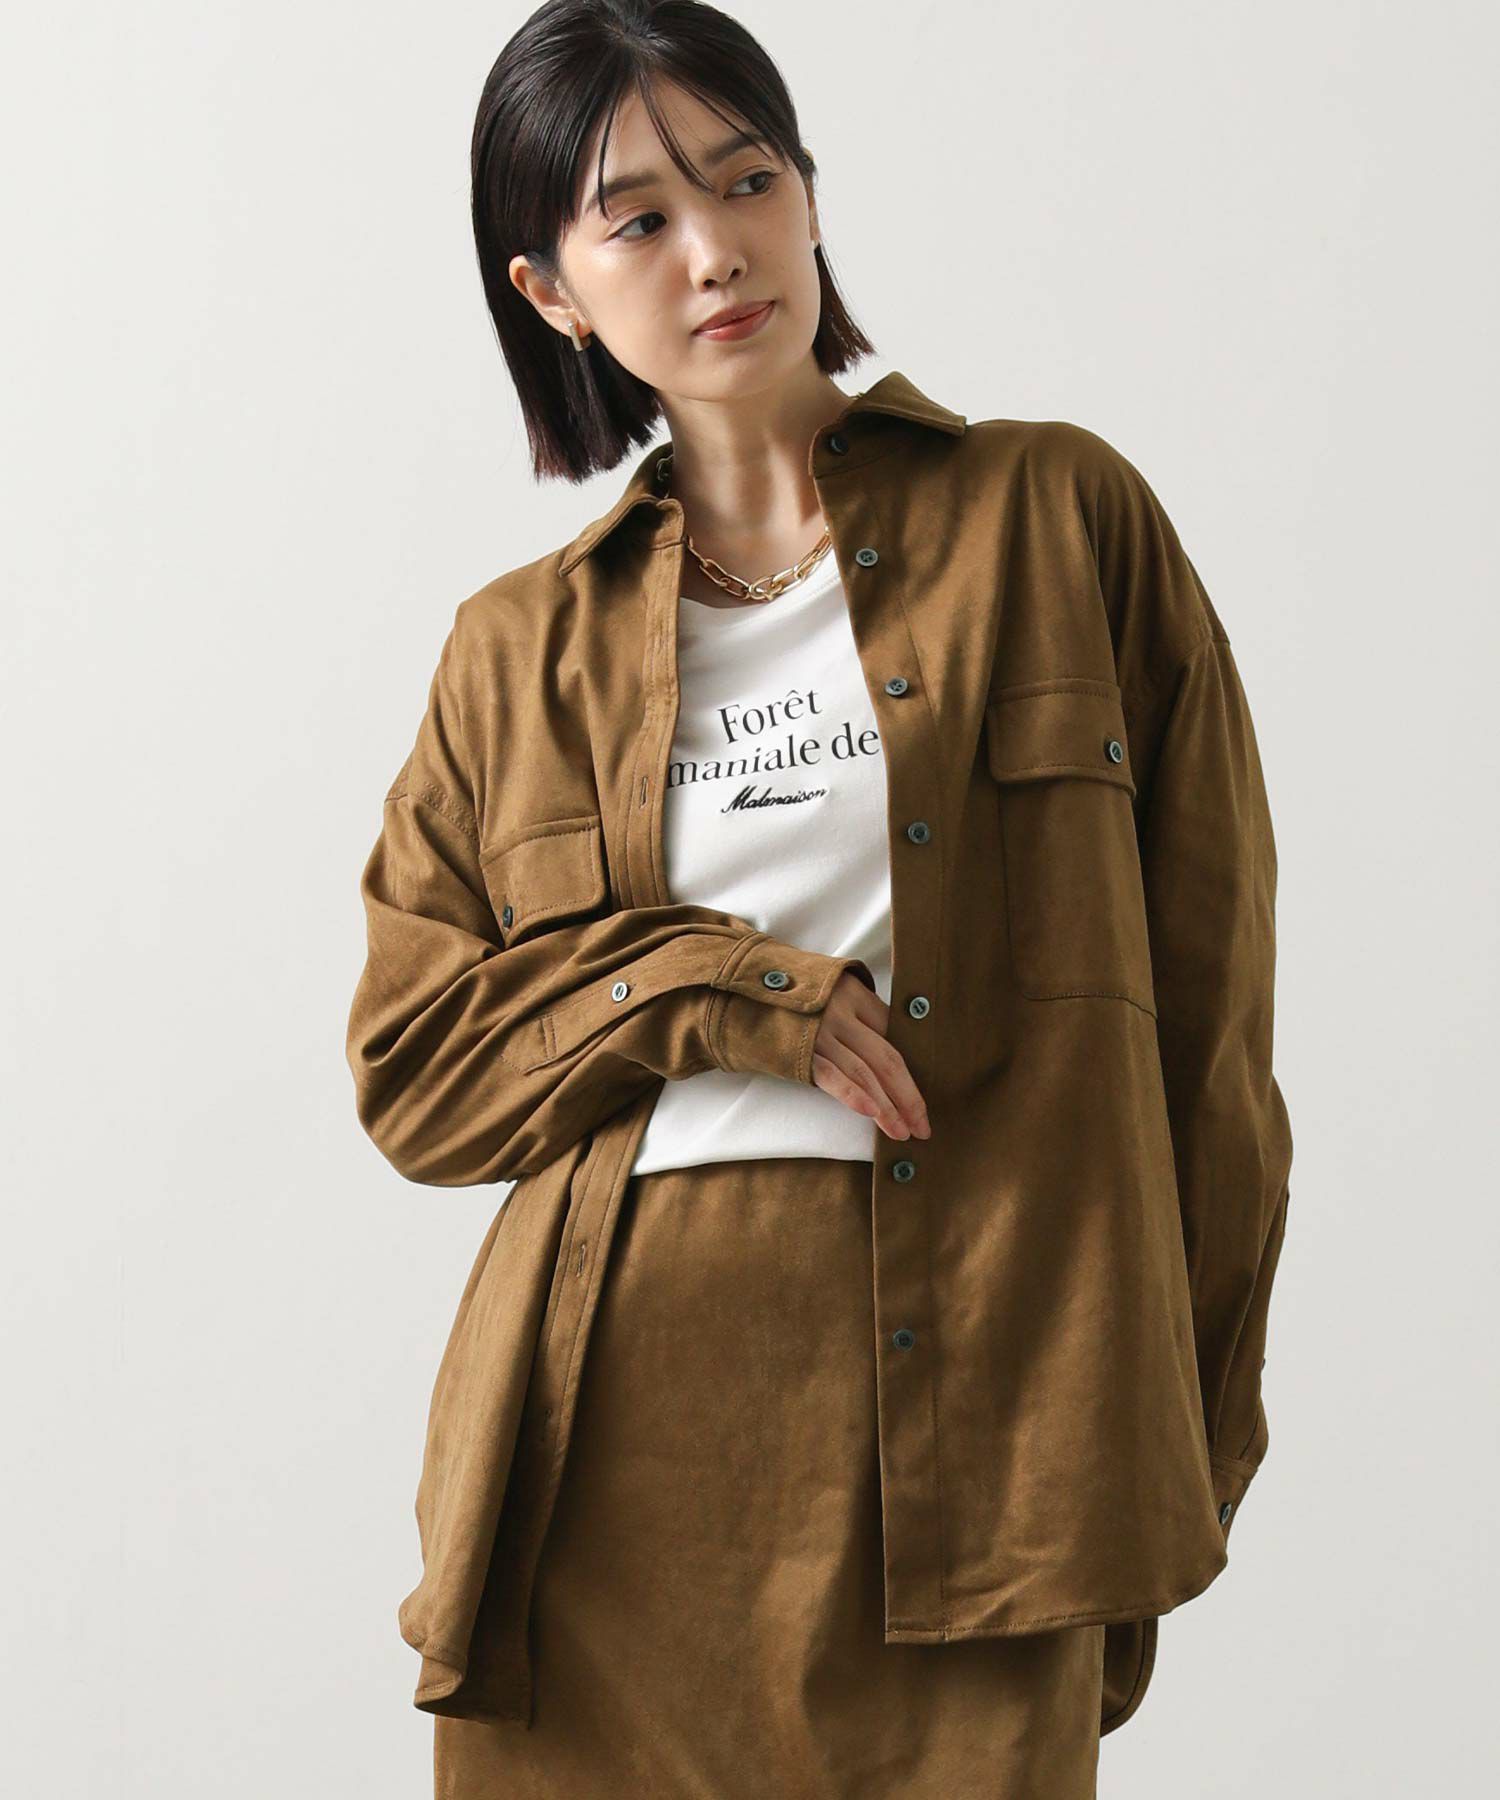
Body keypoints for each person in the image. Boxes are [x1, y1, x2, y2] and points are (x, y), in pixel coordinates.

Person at [344, 3, 1295, 1795]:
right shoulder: (512, 653)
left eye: (747, 180)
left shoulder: (1058, 517)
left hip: (994, 1429)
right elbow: (416, 1073)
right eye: (638, 219)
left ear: (804, 192)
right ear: (552, 292)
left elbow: (1214, 1038)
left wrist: (1182, 1443)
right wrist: (724, 990)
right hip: (602, 1446)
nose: (716, 249)